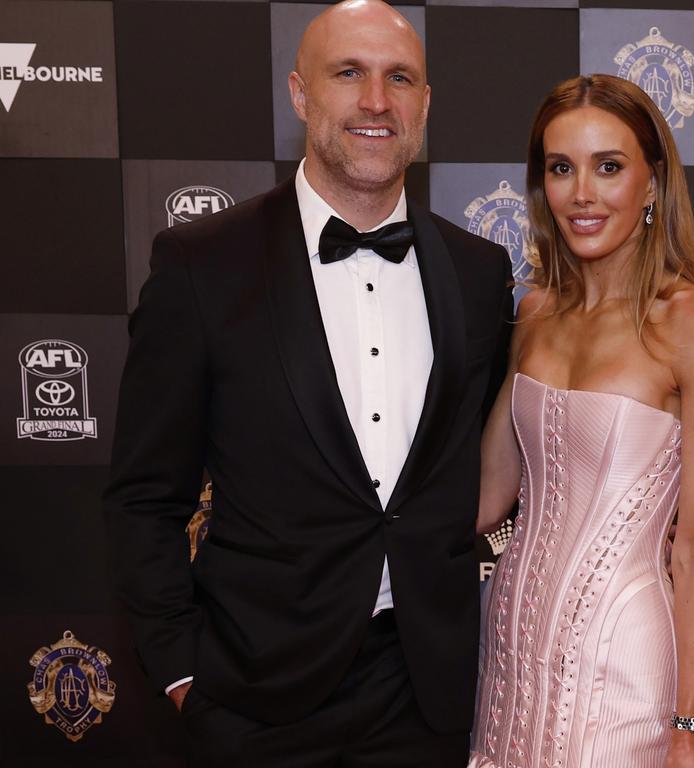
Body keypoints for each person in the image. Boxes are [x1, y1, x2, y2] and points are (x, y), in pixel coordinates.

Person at [103, 1, 512, 765]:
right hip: (255, 699)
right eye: (348, 73)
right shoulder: (202, 266)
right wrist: (182, 673)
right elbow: (144, 496)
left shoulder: (479, 274)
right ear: (300, 94)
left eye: (400, 79)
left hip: (423, 697)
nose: (376, 101)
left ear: (425, 105)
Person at [471, 74, 694, 768]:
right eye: (561, 168)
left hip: (624, 660)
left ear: (653, 183)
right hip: (509, 650)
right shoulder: (534, 313)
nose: (582, 193)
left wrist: (691, 726)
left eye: (609, 167)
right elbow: (486, 497)